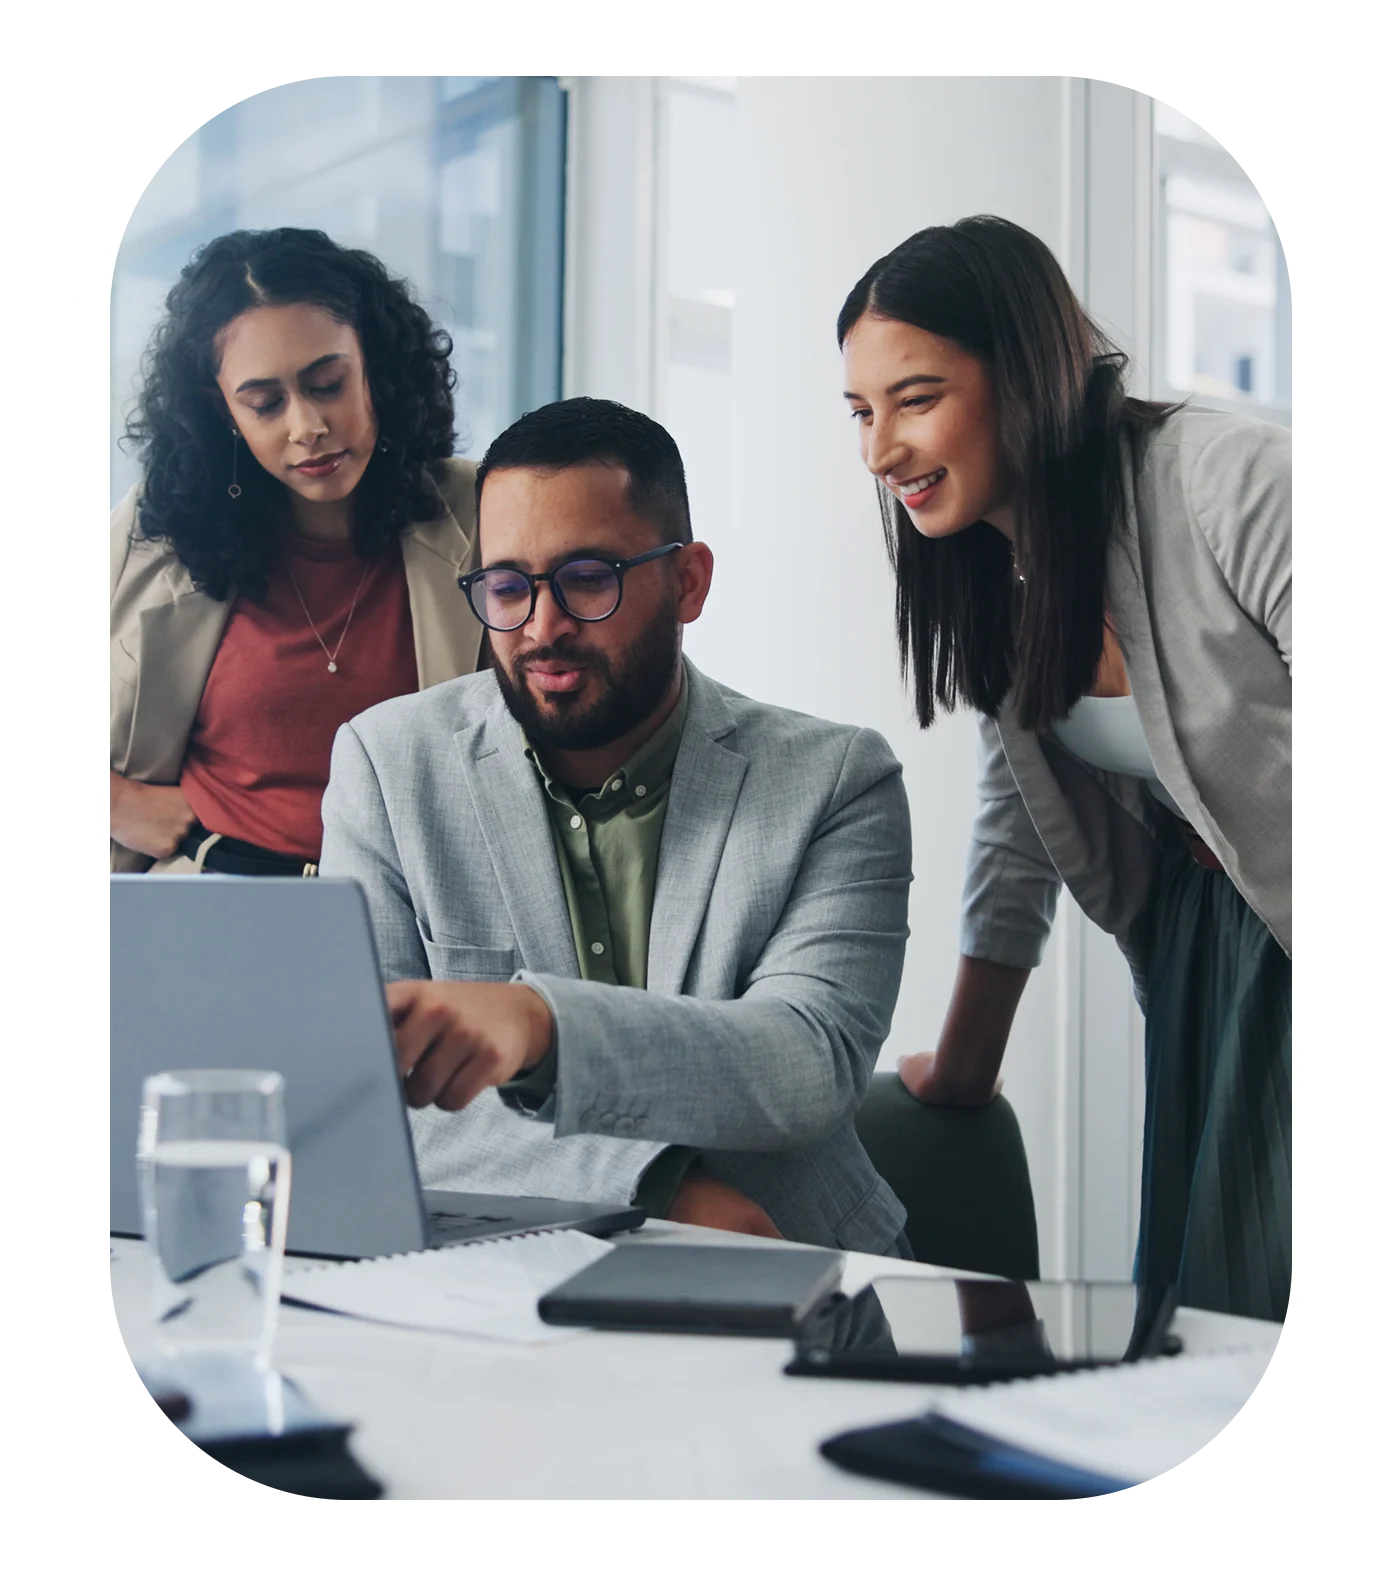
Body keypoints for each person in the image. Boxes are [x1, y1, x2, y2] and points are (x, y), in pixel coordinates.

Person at [319, 397, 914, 1247]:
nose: (541, 627)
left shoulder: (835, 780)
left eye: (588, 579)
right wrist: (657, 1184)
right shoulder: (387, 764)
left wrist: (539, 1028)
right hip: (495, 1276)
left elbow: (806, 1063)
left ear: (688, 582)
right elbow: (364, 1089)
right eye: (507, 586)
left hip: (797, 1262)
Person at [838, 216, 1294, 1322]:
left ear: (1028, 373)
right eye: (859, 411)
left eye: (916, 397)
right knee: (1202, 1311)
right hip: (1205, 947)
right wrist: (963, 1059)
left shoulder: (1225, 480)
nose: (878, 450)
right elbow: (1022, 815)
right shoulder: (996, 570)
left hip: (1289, 940)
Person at [110, 228, 485, 879]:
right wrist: (116, 804)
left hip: (420, 915)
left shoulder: (483, 511)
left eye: (327, 384)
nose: (307, 427)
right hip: (208, 903)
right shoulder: (152, 535)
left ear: (377, 367)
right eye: (265, 403)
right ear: (222, 411)